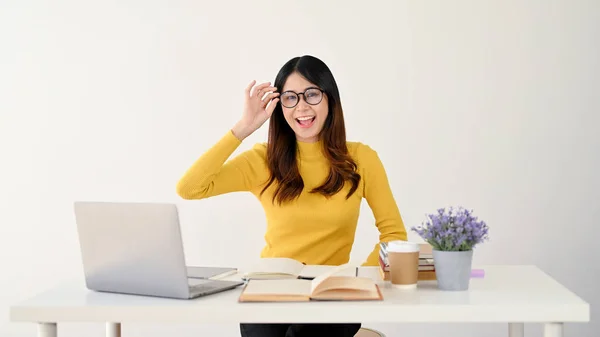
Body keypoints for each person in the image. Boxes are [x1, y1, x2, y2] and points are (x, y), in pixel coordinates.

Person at [176, 55, 407, 337]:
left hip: (332, 293)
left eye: (311, 94)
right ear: (278, 104)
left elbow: (393, 235)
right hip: (271, 288)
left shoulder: (360, 158)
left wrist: (355, 278)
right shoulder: (263, 160)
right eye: (290, 97)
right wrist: (243, 128)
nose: (301, 107)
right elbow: (190, 188)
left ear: (330, 99)